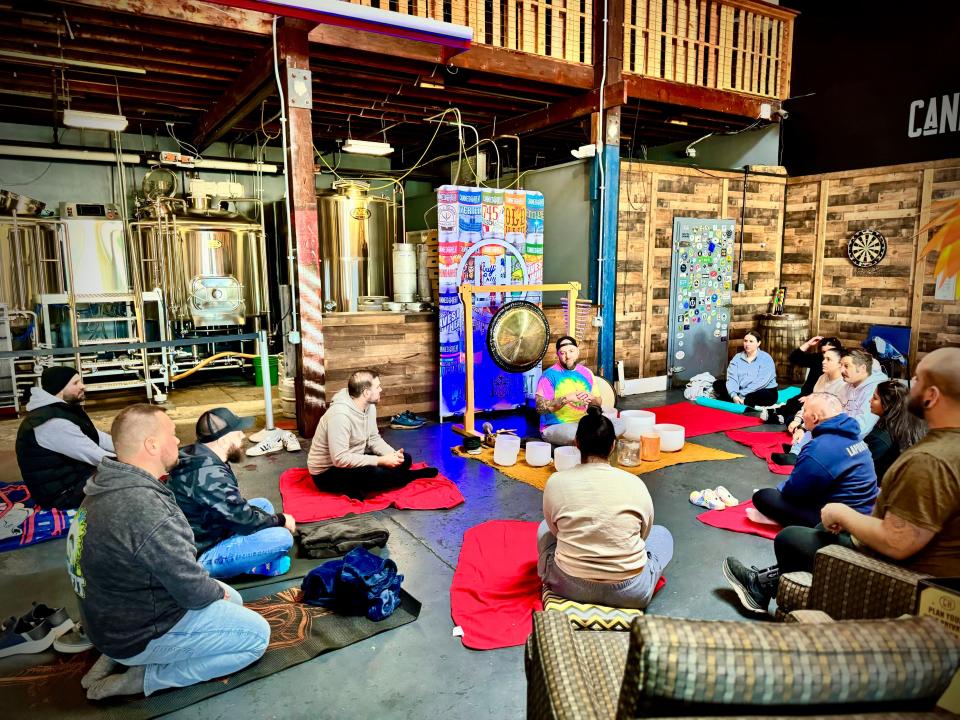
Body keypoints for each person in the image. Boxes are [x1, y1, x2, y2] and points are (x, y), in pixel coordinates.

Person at [722, 347, 960, 615]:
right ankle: (766, 582)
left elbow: (898, 542)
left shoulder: (930, 460)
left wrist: (844, 514)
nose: (908, 384)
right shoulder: (945, 445)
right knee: (821, 529)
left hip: (908, 578)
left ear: (932, 396)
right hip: (919, 564)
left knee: (791, 538)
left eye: (917, 379)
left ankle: (766, 591)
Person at [66, 404, 270, 700]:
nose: (178, 441)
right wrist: (211, 592)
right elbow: (192, 591)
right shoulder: (145, 508)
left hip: (110, 620)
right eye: (172, 434)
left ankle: (117, 656)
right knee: (256, 637)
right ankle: (146, 676)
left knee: (234, 599)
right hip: (135, 632)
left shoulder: (105, 486)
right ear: (151, 445)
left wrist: (213, 591)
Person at [538, 406, 672, 609]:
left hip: (567, 586)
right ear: (612, 446)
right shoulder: (635, 483)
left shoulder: (556, 482)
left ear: (577, 444)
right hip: (631, 592)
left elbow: (555, 530)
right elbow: (643, 534)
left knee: (543, 529)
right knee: (662, 535)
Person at [168, 408, 296, 579]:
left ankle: (249, 561)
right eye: (238, 433)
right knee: (282, 538)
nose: (243, 436)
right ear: (223, 440)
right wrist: (280, 520)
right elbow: (244, 520)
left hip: (207, 530)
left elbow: (233, 508)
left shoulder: (198, 454)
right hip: (198, 554)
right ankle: (229, 566)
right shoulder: (209, 474)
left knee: (263, 504)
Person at [752, 393, 878, 528]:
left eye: (804, 411)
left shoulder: (819, 447)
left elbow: (794, 492)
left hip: (844, 519)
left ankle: (783, 519)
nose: (802, 415)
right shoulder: (854, 435)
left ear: (815, 418)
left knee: (763, 496)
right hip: (868, 506)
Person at [307, 369, 437, 500]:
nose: (381, 389)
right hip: (327, 472)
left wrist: (392, 456)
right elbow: (339, 459)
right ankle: (409, 476)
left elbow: (374, 438)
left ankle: (362, 486)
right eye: (378, 387)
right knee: (374, 473)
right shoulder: (340, 415)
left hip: (353, 459)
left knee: (405, 459)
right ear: (366, 393)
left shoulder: (369, 406)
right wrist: (380, 461)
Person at [15, 365, 115, 509]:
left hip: (73, 480)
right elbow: (97, 457)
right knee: (126, 480)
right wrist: (136, 463)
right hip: (61, 496)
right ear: (60, 388)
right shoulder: (53, 423)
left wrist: (129, 448)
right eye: (75, 383)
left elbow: (98, 437)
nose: (83, 386)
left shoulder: (62, 410)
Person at [773, 348, 888, 466]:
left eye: (846, 366)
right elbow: (834, 410)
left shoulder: (874, 388)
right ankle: (799, 451)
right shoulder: (848, 383)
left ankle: (806, 453)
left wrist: (830, 429)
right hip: (848, 429)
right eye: (841, 365)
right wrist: (807, 426)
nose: (842, 370)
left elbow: (863, 427)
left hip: (866, 439)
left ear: (863, 368)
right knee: (819, 421)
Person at [536, 335, 620, 446]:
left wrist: (592, 399)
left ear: (577, 352)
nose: (568, 356)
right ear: (557, 355)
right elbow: (540, 409)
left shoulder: (586, 372)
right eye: (563, 353)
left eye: (571, 351)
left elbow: (598, 402)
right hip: (556, 426)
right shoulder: (548, 376)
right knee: (577, 435)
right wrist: (567, 398)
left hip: (583, 423)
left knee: (620, 424)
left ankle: (591, 440)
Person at [864, 380, 927, 481]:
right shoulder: (917, 422)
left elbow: (863, 466)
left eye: (875, 398)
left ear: (887, 405)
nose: (870, 400)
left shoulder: (880, 437)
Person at [778, 336, 843, 422]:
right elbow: (794, 358)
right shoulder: (818, 360)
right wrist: (809, 344)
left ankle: (786, 418)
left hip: (824, 400)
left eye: (831, 351)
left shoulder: (841, 374)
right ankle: (784, 417)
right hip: (809, 394)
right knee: (792, 403)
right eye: (824, 352)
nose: (825, 358)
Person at [712, 330, 778, 407]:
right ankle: (736, 400)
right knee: (718, 384)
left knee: (758, 395)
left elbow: (761, 382)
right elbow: (732, 378)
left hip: (761, 389)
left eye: (751, 341)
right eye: (745, 341)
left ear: (758, 343)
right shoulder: (737, 358)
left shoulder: (766, 358)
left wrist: (741, 394)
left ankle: (733, 399)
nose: (747, 344)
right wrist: (734, 395)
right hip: (740, 388)